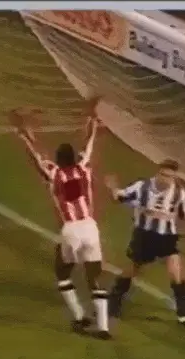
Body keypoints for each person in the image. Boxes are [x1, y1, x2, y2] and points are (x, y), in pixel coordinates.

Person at [9, 98, 111, 339]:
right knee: (94, 278)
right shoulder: (84, 168)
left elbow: (36, 157)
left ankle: (79, 316)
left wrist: (23, 134)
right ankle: (104, 327)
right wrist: (92, 118)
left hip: (71, 229)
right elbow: (90, 142)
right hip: (91, 228)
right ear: (75, 157)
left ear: (58, 159)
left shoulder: (54, 173)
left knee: (63, 273)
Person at [104, 160, 185, 325]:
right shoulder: (142, 187)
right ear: (158, 173)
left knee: (176, 271)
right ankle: (114, 300)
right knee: (133, 268)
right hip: (145, 235)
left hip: (167, 237)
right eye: (164, 175)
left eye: (170, 177)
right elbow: (119, 198)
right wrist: (112, 189)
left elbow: (184, 214)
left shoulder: (178, 193)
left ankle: (183, 312)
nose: (166, 179)